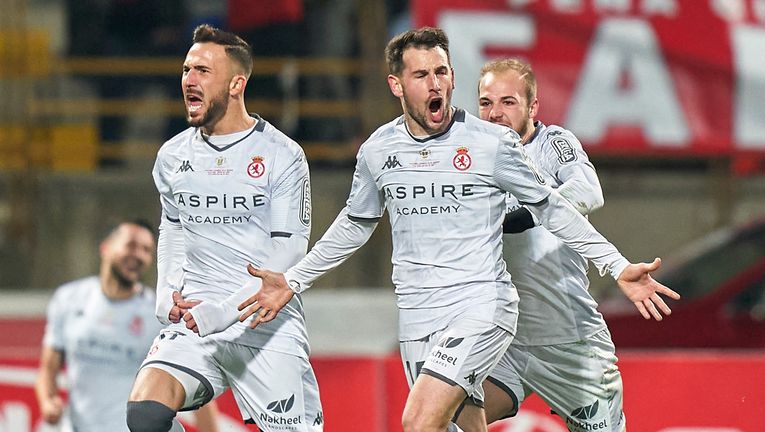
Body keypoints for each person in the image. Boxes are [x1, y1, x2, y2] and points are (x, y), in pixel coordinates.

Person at [237, 27, 679, 432]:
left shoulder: (500, 146)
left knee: (419, 420)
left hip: (504, 314)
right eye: (421, 74)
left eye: (442, 72)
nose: (434, 84)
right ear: (397, 84)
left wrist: (617, 265)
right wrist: (294, 280)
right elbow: (355, 223)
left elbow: (557, 207)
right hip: (425, 320)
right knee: (455, 425)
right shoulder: (378, 150)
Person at [125, 24, 322, 432]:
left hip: (263, 324)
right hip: (197, 321)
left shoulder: (282, 155)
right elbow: (174, 229)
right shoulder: (172, 155)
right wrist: (166, 292)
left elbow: (289, 254)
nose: (188, 80)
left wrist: (223, 312)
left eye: (201, 71)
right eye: (185, 69)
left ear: (236, 84)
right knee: (145, 414)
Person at [453, 58, 627, 431]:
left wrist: (526, 214)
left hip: (569, 340)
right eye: (486, 103)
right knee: (445, 419)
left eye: (508, 102)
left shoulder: (553, 144)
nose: (495, 113)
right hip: (504, 340)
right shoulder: (469, 160)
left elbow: (587, 191)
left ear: (533, 107)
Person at [35, 220, 220, 432]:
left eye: (146, 250)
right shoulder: (68, 298)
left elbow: (198, 390)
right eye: (131, 245)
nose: (139, 255)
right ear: (105, 248)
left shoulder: (162, 315)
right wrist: (48, 401)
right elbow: (48, 368)